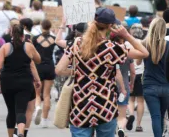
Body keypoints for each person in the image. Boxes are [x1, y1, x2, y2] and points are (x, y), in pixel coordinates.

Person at [55, 8, 149, 137]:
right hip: (105, 106)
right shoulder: (112, 48)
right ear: (110, 26)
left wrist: (79, 72)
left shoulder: (77, 44)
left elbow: (59, 69)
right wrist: (126, 35)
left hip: (80, 106)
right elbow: (144, 53)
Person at [0, 24, 41, 137]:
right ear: (23, 35)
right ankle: (21, 133)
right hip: (25, 82)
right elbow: (37, 60)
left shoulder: (5, 47)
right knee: (21, 110)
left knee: (11, 111)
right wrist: (32, 48)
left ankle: (11, 135)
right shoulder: (28, 46)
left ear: (11, 34)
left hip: (7, 82)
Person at [140, 17, 169, 137]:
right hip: (166, 85)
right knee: (162, 115)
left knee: (155, 117)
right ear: (164, 30)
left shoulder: (144, 44)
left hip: (150, 85)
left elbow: (137, 62)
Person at [32, 20, 56, 128]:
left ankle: (37, 108)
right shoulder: (54, 39)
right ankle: (45, 121)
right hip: (50, 66)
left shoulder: (35, 39)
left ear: (41, 26)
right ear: (50, 27)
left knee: (37, 93)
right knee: (47, 95)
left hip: (38, 67)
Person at [127, 24, 145, 132]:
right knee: (141, 101)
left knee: (130, 99)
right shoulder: (143, 43)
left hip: (129, 74)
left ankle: (131, 115)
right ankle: (138, 125)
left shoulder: (126, 44)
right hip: (141, 74)